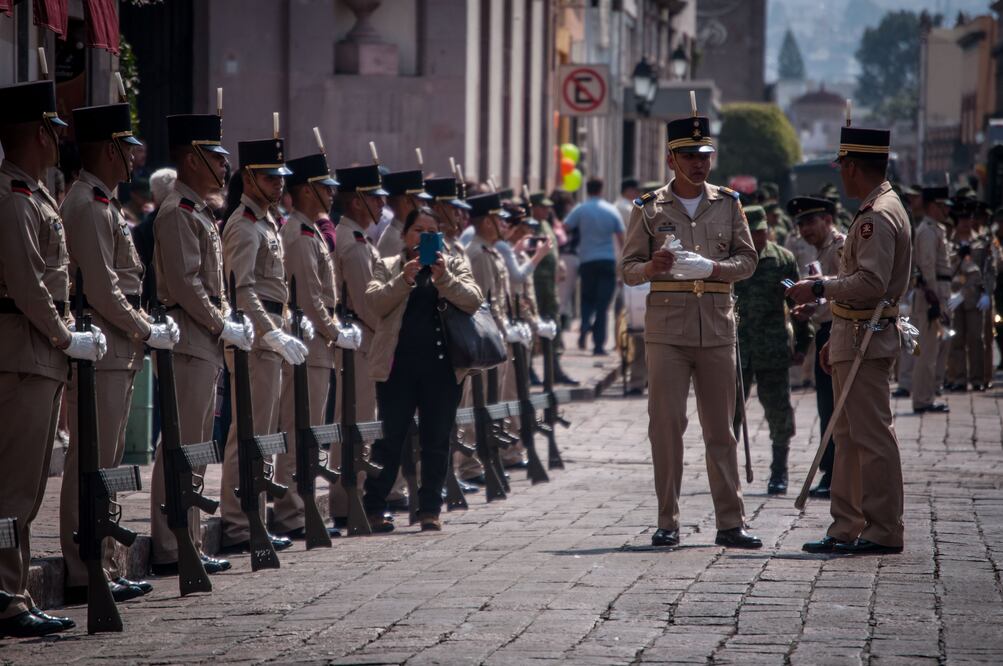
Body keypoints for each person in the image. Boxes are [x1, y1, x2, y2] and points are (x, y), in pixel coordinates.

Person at [620, 99, 761, 549]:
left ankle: (731, 522)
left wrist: (715, 269)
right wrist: (651, 267)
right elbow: (628, 269)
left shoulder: (729, 204)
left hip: (716, 325)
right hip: (668, 329)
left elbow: (749, 260)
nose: (699, 163)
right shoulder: (649, 208)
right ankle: (668, 519)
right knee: (666, 426)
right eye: (689, 156)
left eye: (705, 155)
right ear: (671, 159)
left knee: (721, 429)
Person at [58, 102, 174, 604]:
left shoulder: (103, 201)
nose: (133, 158)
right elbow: (104, 289)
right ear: (109, 149)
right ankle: (84, 566)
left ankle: (102, 561)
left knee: (106, 461)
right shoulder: (87, 203)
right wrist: (145, 327)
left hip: (117, 343)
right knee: (92, 459)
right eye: (127, 148)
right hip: (103, 342)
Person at [0, 79, 104, 638]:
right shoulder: (14, 198)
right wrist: (65, 337)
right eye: (54, 129)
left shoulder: (34, 193)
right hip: (23, 353)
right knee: (14, 487)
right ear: (39, 133)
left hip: (37, 351)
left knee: (29, 487)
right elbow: (26, 284)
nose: (60, 139)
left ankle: (12, 588)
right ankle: (5, 595)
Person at [789, 121, 911, 556]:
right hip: (853, 333)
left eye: (843, 165)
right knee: (846, 436)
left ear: (854, 167)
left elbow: (871, 283)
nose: (841, 173)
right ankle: (846, 525)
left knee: (871, 437)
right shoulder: (874, 208)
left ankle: (882, 529)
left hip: (866, 337)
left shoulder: (876, 215)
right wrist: (834, 334)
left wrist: (820, 288)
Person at [149, 113, 251, 576]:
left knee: (195, 446)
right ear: (192, 159)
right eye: (216, 157)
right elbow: (187, 284)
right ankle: (172, 544)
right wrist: (220, 321)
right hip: (188, 336)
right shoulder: (178, 211)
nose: (224, 166)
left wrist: (223, 320)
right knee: (181, 442)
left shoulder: (199, 210)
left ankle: (186, 538)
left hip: (202, 337)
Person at [363, 207, 483, 530]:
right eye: (418, 230)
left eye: (432, 232)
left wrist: (444, 278)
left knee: (437, 438)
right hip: (398, 367)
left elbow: (473, 299)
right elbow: (375, 302)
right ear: (404, 235)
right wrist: (404, 279)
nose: (423, 237)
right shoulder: (390, 265)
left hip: (442, 367)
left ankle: (430, 509)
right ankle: (374, 506)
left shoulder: (453, 264)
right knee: (390, 438)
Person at [219, 135, 307, 552]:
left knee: (264, 434)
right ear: (250, 177)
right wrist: (270, 330)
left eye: (280, 177)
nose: (279, 184)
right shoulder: (243, 224)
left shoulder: (266, 221)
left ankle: (253, 516)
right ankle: (239, 524)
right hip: (255, 339)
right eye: (270, 177)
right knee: (249, 433)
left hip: (270, 334)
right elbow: (242, 289)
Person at [271, 151, 357, 539]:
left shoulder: (310, 230)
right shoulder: (301, 235)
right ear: (307, 190)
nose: (332, 193)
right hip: (310, 343)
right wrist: (335, 330)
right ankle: (292, 512)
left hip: (319, 345)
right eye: (325, 187)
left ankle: (300, 507)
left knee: (310, 431)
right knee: (299, 431)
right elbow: (309, 299)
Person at [332, 162, 396, 529]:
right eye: (376, 198)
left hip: (367, 342)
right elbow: (368, 304)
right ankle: (349, 501)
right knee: (356, 424)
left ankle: (351, 500)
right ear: (357, 201)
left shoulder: (360, 239)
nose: (382, 204)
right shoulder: (354, 244)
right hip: (361, 343)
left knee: (362, 423)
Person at [733, 205, 811, 495]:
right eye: (752, 233)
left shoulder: (782, 259)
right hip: (737, 348)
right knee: (729, 413)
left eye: (762, 232)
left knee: (779, 411)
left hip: (772, 347)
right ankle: (726, 471)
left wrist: (802, 342)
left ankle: (779, 471)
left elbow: (797, 304)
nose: (758, 238)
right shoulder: (730, 259)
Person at [787, 195, 845, 498]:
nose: (805, 230)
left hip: (841, 332)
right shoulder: (821, 251)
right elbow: (830, 296)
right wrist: (812, 307)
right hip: (826, 329)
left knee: (835, 407)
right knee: (826, 406)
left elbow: (849, 287)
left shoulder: (840, 247)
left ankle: (835, 474)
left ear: (828, 220)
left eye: (810, 222)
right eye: (801, 225)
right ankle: (832, 471)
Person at [456, 192, 513, 484]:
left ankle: (483, 459)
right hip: (483, 341)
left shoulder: (489, 251)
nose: (503, 224)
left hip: (497, 338)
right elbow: (478, 304)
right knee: (474, 404)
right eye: (498, 218)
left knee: (490, 403)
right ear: (487, 222)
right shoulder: (477, 253)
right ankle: (470, 464)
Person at [564, 178, 625, 355]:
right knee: (602, 304)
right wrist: (623, 262)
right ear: (601, 189)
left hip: (587, 260)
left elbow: (565, 227)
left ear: (587, 189)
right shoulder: (611, 210)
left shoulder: (580, 209)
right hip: (607, 260)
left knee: (587, 298)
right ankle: (598, 345)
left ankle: (584, 326)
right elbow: (621, 238)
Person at [910, 187, 953, 414]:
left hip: (939, 293)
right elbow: (927, 267)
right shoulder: (927, 231)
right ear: (931, 206)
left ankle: (927, 395)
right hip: (931, 297)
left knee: (933, 351)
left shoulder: (936, 229)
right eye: (942, 205)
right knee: (926, 352)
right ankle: (922, 399)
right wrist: (934, 299)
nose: (946, 209)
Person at [944, 202, 995, 392]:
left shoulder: (982, 243)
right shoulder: (949, 244)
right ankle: (958, 378)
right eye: (961, 219)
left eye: (968, 219)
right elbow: (945, 268)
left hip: (975, 298)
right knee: (956, 340)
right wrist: (958, 255)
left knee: (976, 340)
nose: (965, 223)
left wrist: (987, 293)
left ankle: (977, 379)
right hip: (954, 297)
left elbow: (989, 270)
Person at [377, 169, 432, 258]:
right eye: (420, 200)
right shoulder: (396, 240)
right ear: (407, 201)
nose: (424, 205)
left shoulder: (403, 234)